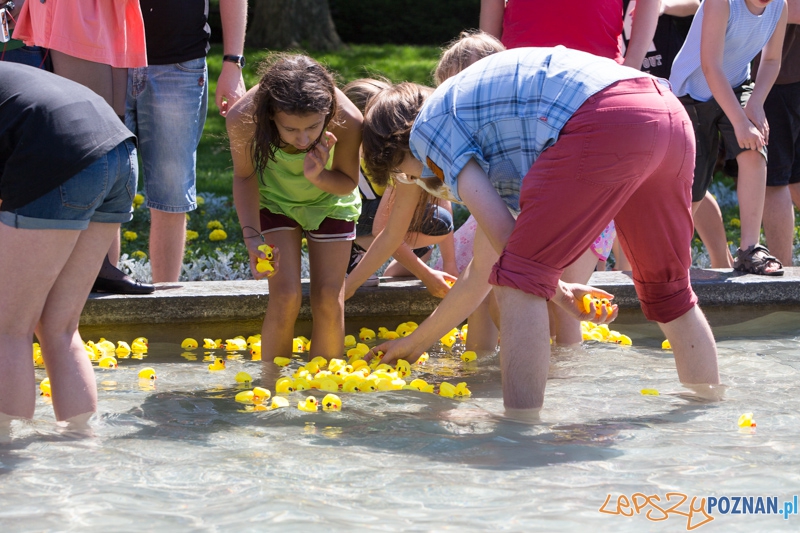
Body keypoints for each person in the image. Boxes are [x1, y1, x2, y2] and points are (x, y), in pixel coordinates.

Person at [364, 48, 721, 417]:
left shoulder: (428, 129)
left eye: (404, 174)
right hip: (665, 112)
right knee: (670, 292)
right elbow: (482, 268)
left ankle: (520, 433)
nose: (416, 181)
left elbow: (513, 259)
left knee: (518, 284)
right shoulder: (498, 135)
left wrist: (556, 289)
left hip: (605, 117)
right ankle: (708, 413)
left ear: (398, 149)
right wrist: (415, 344)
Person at [0, 63, 138, 432]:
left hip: (59, 155)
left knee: (8, 328)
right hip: (119, 152)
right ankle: (81, 446)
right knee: (59, 327)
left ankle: (8, 454)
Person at [227, 54, 362, 361]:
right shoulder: (243, 118)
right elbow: (244, 177)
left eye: (313, 127)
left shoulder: (349, 120)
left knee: (328, 299)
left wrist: (318, 176)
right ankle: (270, 385)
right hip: (275, 202)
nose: (303, 139)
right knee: (285, 297)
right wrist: (252, 240)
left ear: (328, 112)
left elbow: (347, 182)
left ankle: (326, 385)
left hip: (330, 201)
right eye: (290, 130)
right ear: (270, 116)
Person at [13, 0, 154, 293]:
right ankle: (79, 267)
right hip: (76, 10)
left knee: (110, 133)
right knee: (90, 135)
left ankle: (93, 264)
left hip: (109, 11)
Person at [126, 0, 248, 283]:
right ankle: (98, 301)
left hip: (179, 62)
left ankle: (166, 302)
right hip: (103, 57)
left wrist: (233, 63)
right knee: (105, 192)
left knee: (172, 194)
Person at [669, 0, 788, 276]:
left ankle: (749, 250)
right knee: (693, 186)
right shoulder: (721, 3)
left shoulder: (779, 7)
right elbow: (711, 66)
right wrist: (739, 121)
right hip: (690, 95)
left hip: (736, 85)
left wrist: (756, 103)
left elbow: (771, 60)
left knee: (755, 148)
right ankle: (671, 254)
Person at [343, 78, 458, 296]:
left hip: (372, 217)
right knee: (432, 223)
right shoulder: (398, 160)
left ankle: (396, 253)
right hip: (346, 218)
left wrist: (449, 264)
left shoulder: (405, 155)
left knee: (438, 223)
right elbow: (385, 232)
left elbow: (440, 200)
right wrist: (346, 292)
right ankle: (351, 250)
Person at [756, 24, 800, 266]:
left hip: (775, 81)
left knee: (774, 182)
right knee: (792, 180)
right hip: (779, 77)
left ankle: (786, 278)